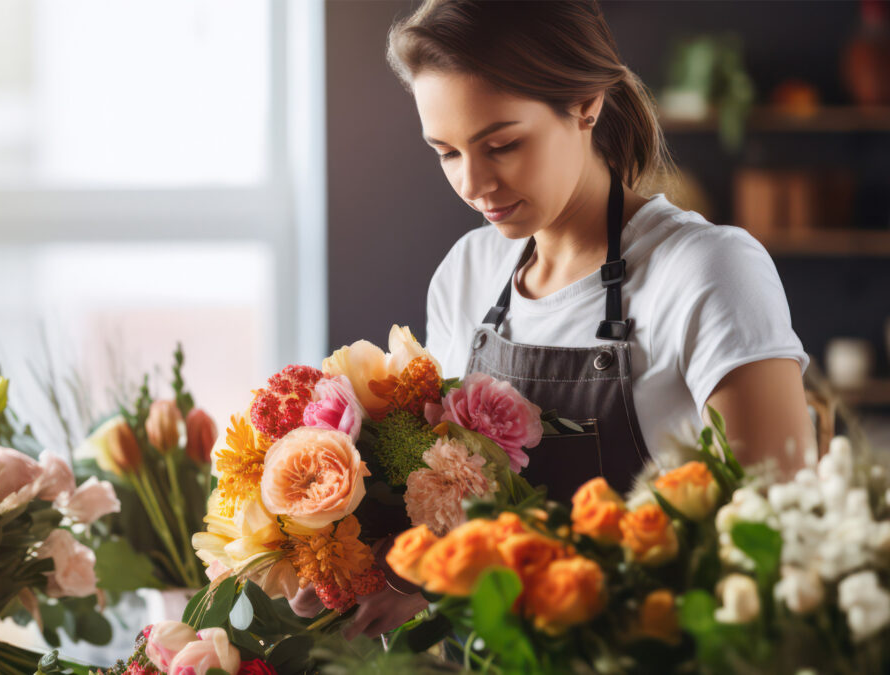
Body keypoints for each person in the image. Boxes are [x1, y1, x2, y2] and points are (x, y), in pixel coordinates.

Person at [292, 0, 815, 639]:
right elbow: (447, 498)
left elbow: (781, 537)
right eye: (447, 152)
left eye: (503, 144)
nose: (474, 183)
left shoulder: (707, 271)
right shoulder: (467, 273)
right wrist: (396, 566)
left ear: (586, 104)